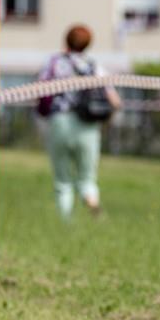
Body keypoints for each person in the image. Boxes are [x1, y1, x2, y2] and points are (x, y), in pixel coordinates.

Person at [36, 24, 122, 220]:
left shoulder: (54, 62)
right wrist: (107, 118)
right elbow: (115, 101)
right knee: (87, 178)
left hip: (59, 122)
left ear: (66, 40)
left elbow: (41, 89)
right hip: (87, 126)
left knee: (63, 181)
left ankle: (66, 222)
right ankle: (92, 202)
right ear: (88, 44)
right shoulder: (93, 66)